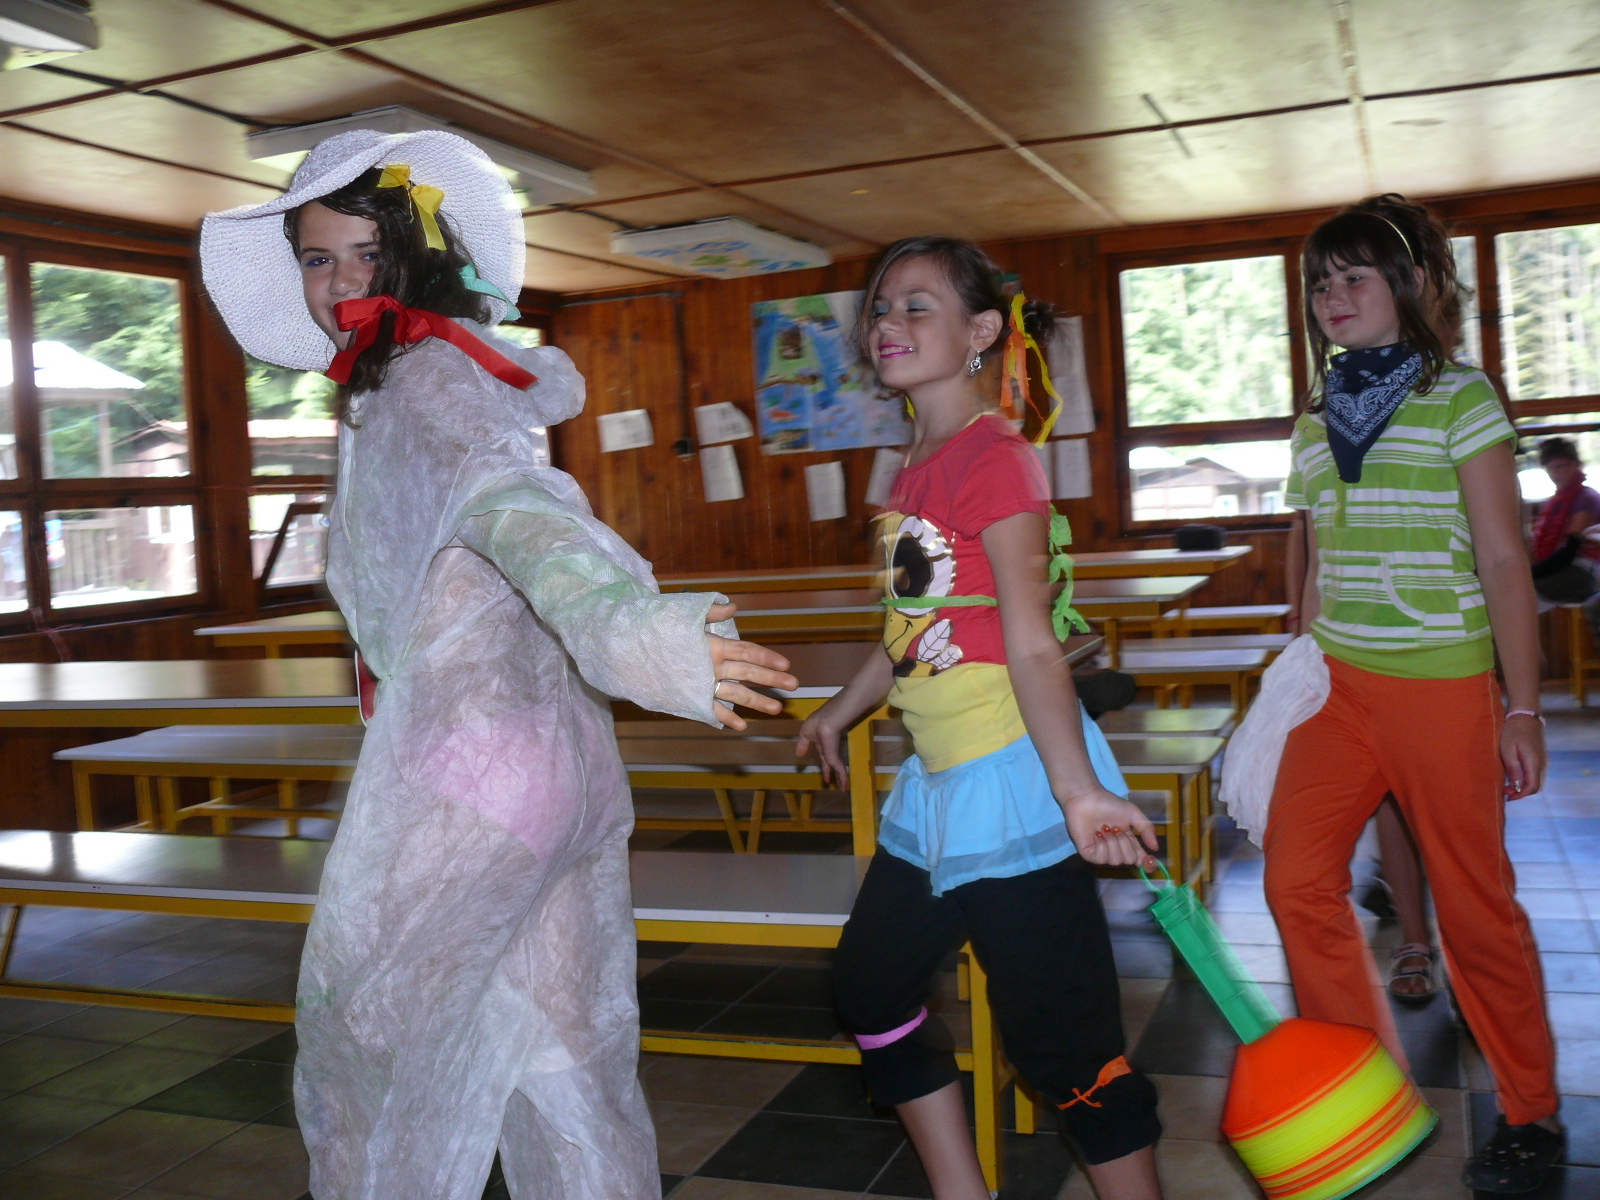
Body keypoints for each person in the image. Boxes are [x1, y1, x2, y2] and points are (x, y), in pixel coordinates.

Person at [200, 129, 796, 1200]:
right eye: (317, 258)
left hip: (468, 779)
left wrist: (638, 633)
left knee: (365, 1045)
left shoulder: (426, 382)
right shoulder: (407, 383)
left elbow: (521, 514)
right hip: (554, 768)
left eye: (365, 253)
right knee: (568, 1059)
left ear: (417, 254)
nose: (339, 281)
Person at [797, 237, 1163, 1200]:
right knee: (871, 988)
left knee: (1068, 1050)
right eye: (881, 307)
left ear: (981, 331)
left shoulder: (996, 456)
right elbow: (913, 627)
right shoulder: (913, 464)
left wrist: (1078, 792)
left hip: (1014, 780)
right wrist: (841, 709)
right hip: (941, 791)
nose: (889, 322)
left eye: (917, 305)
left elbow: (1035, 643)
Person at [1265, 194, 1562, 1194]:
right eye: (1319, 283)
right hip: (1339, 688)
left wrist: (1521, 707)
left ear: (1410, 284)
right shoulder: (1315, 417)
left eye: (1354, 277)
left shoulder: (1460, 396)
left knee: (1475, 909)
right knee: (1294, 880)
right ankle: (1364, 1086)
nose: (1332, 296)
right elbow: (1315, 557)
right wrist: (1297, 666)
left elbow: (1504, 560)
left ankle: (1531, 1107)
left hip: (1441, 684)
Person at [1530, 436, 1600, 611]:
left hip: (1586, 571)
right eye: (1550, 468)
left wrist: (1529, 574)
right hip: (1565, 568)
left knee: (1520, 592)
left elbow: (1569, 551)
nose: (1555, 473)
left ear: (1576, 465)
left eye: (1561, 466)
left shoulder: (1586, 498)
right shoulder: (1554, 502)